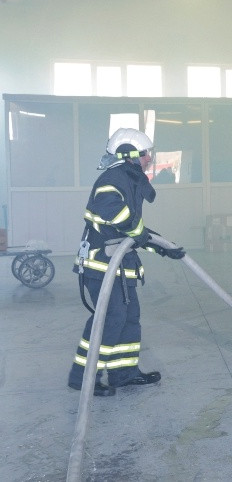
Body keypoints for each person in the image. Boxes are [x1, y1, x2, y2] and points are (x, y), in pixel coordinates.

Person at [67, 128, 186, 397]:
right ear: (128, 155)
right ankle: (83, 377)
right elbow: (111, 211)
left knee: (129, 318)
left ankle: (123, 373)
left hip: (120, 266)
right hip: (102, 266)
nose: (149, 158)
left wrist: (164, 247)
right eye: (145, 154)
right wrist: (139, 233)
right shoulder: (114, 178)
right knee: (110, 318)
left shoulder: (129, 179)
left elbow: (133, 230)